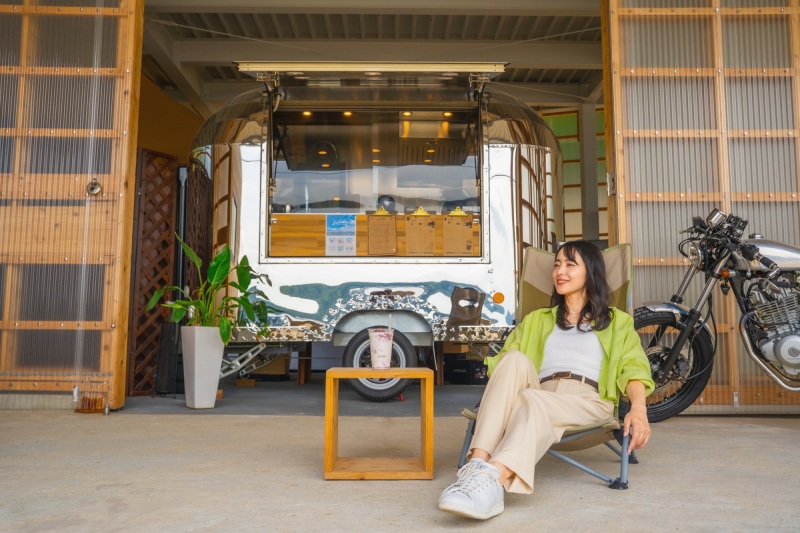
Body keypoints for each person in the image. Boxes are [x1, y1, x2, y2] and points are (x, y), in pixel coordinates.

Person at [438, 240, 655, 520]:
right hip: (536, 392)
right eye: (556, 265)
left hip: (587, 401)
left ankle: (492, 482)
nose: (559, 271)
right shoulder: (536, 320)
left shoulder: (617, 322)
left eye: (569, 264)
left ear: (591, 272)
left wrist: (638, 408)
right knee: (513, 360)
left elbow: (634, 368)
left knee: (533, 398)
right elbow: (504, 367)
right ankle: (478, 467)